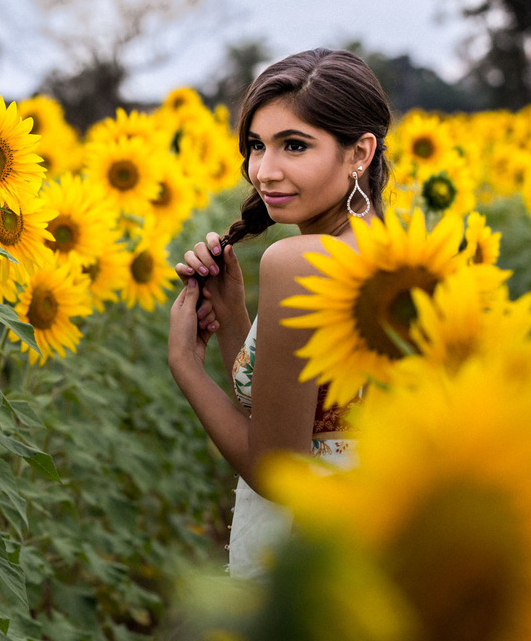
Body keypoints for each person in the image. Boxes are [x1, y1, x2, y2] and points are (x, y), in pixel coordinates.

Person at [167, 48, 391, 579]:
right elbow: (314, 419)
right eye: (256, 146)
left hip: (303, 555)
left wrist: (184, 364)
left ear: (359, 152)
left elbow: (279, 470)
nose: (264, 172)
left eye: (294, 145)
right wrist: (232, 315)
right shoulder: (397, 254)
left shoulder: (298, 262)